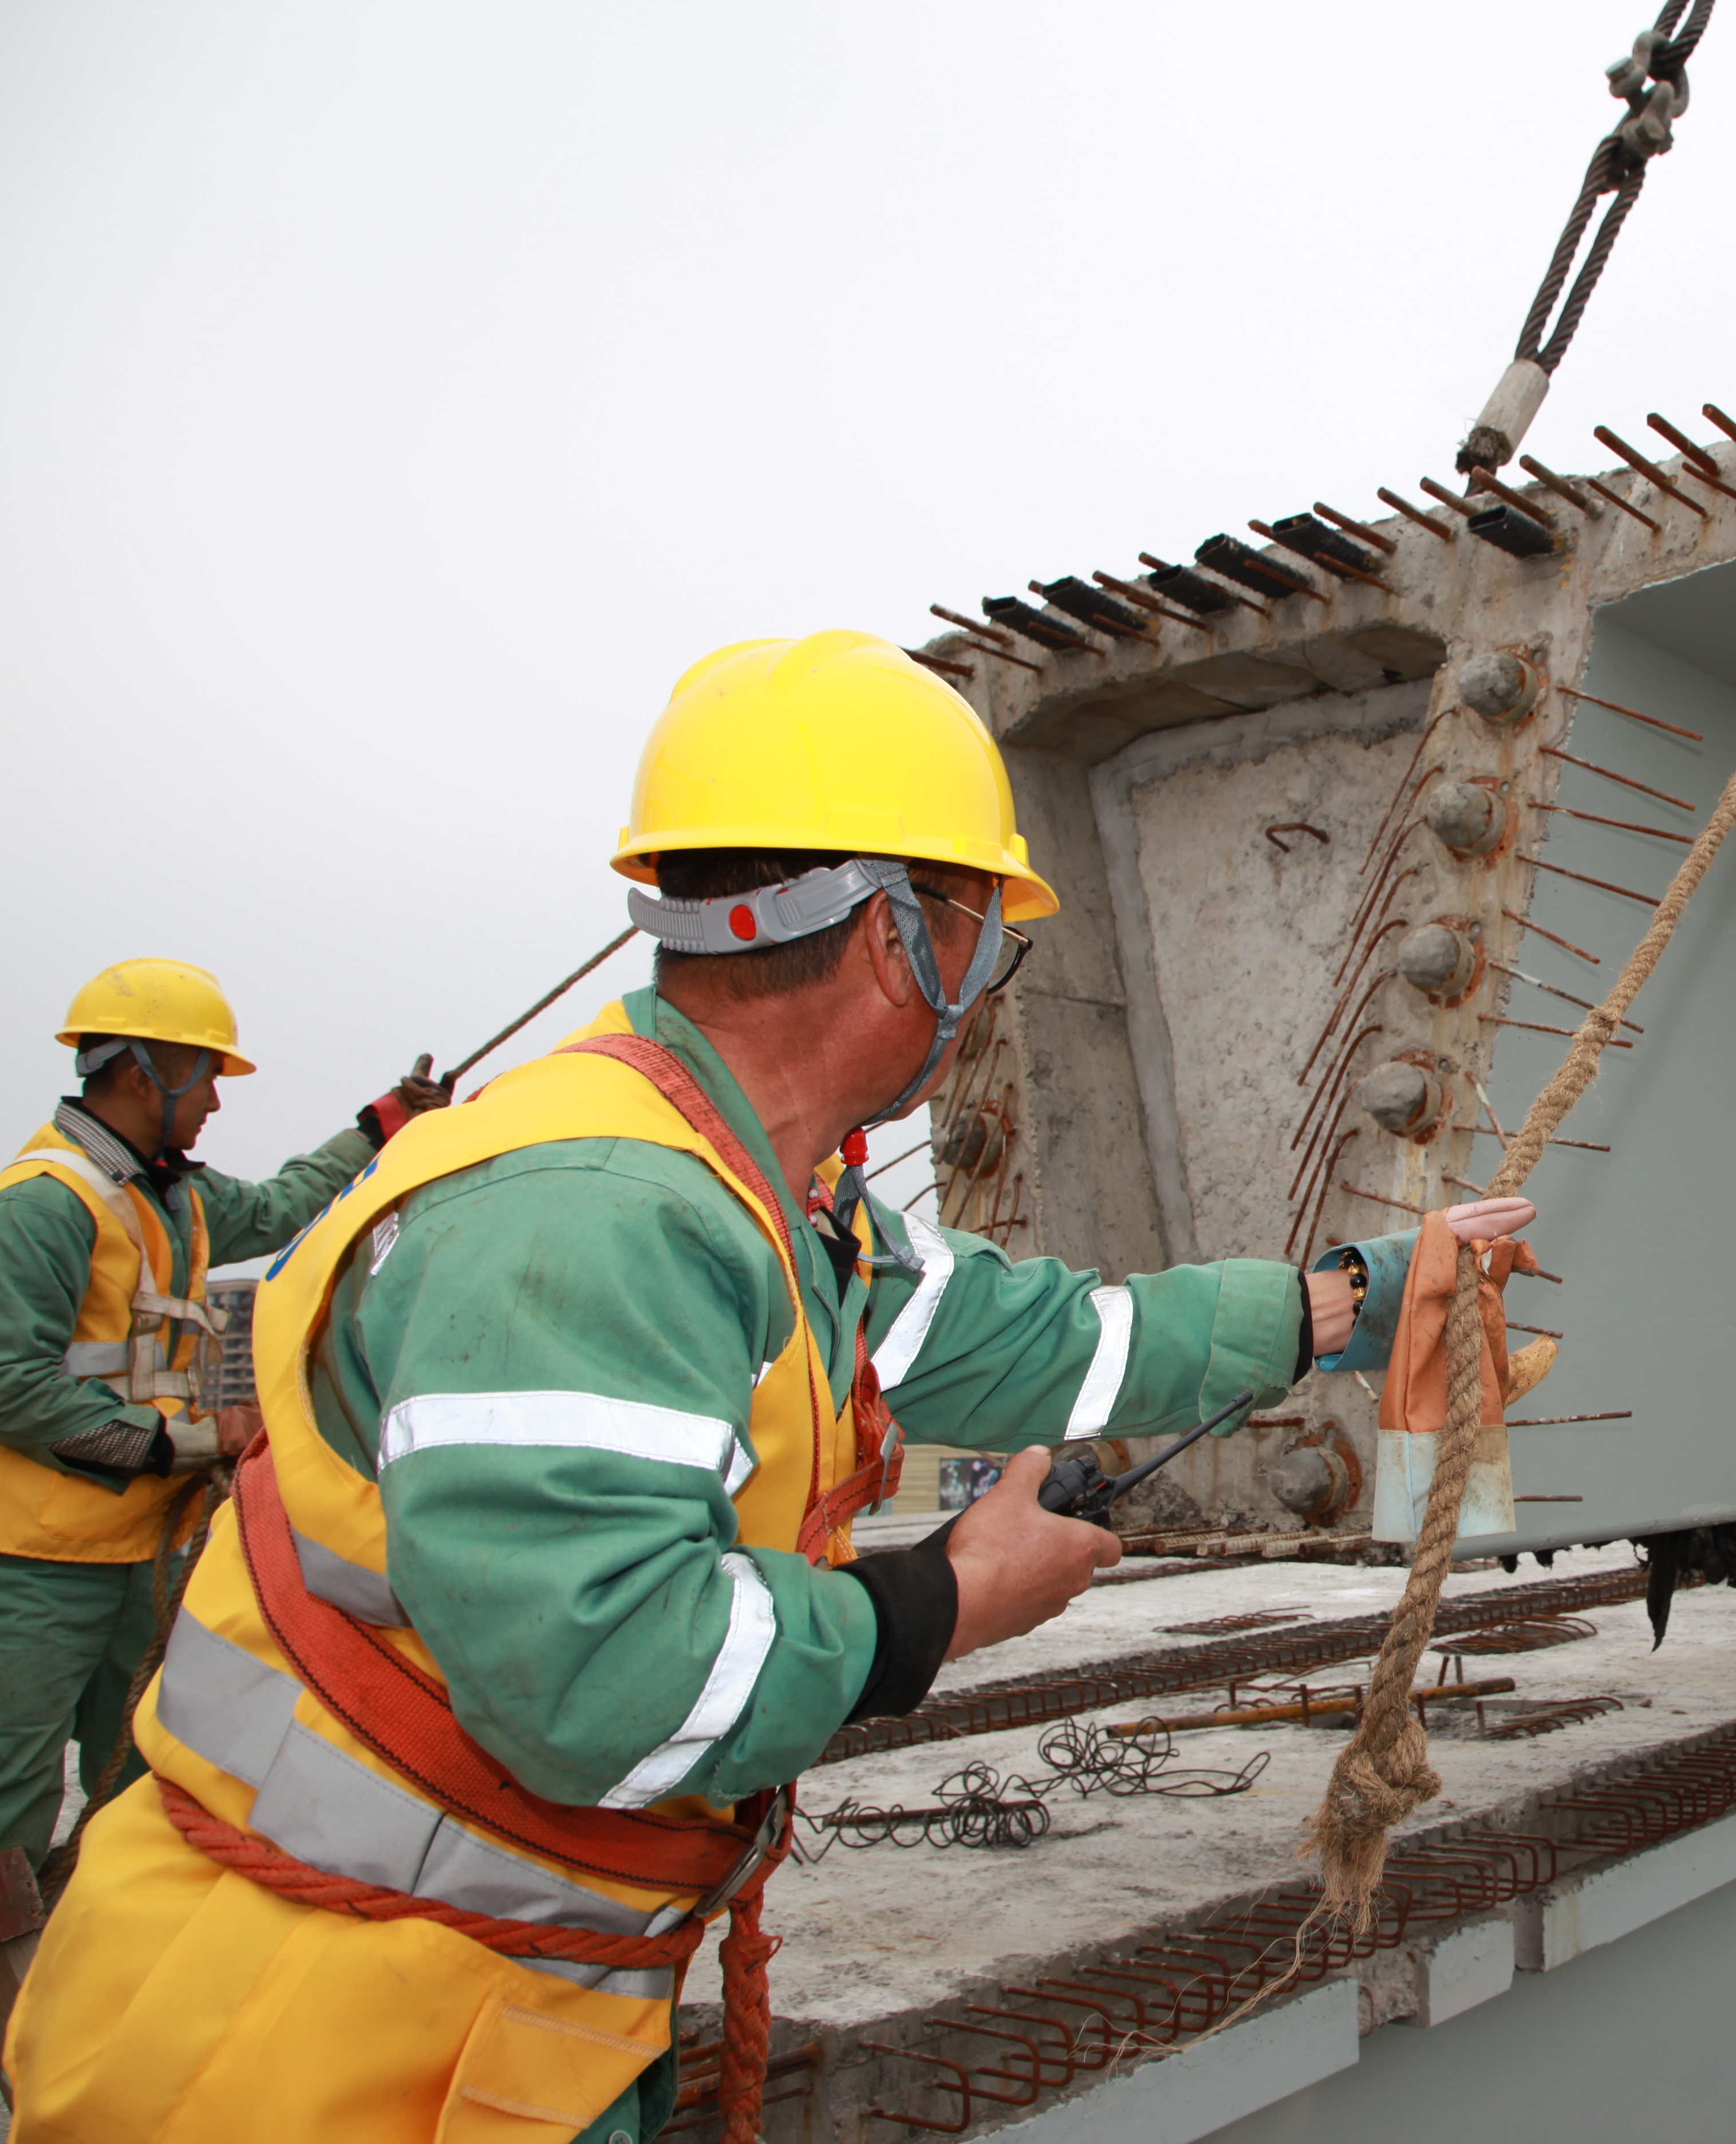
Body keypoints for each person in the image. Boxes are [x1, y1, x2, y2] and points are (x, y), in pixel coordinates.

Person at [3, 630, 1528, 2143]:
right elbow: (603, 1683)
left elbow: (1044, 1343)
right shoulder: (591, 1216)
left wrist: (1354, 1298)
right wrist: (945, 1600)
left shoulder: (761, 1195)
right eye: (989, 940)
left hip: (479, 2016)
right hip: (294, 2057)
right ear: (893, 938)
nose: (985, 985)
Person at [0, 960, 446, 1906]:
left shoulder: (175, 1200)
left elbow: (287, 1204)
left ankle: (95, 1988)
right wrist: (167, 1444)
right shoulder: (43, 1202)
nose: (211, 1098)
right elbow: (13, 1384)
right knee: (11, 1796)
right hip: (38, 1565)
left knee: (142, 1783)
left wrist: (382, 1125)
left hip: (145, 1554)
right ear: (139, 1072)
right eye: (201, 1074)